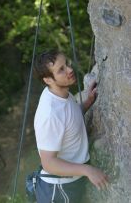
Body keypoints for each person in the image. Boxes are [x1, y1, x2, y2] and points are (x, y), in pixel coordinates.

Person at [33, 50, 109, 203]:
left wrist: (87, 102)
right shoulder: (49, 114)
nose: (70, 69)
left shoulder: (59, 93)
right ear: (48, 80)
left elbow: (68, 120)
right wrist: (87, 170)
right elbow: (48, 163)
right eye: (61, 69)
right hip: (59, 192)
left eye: (66, 63)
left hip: (70, 182)